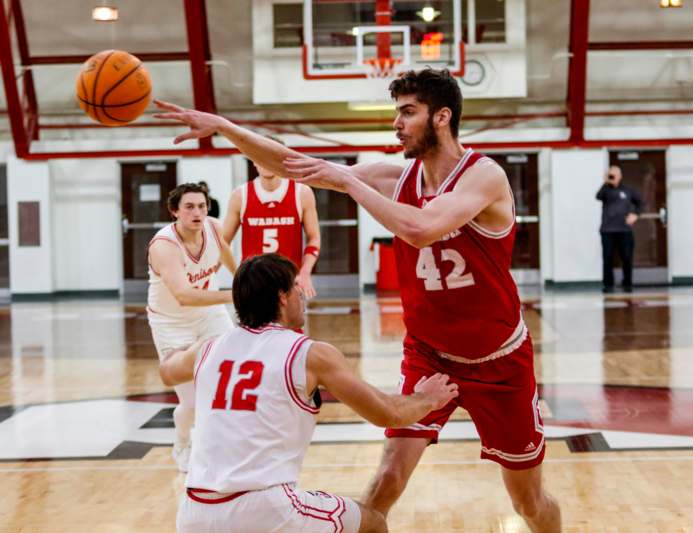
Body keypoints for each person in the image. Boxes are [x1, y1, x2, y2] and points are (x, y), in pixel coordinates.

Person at [154, 67, 561, 532]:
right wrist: (226, 128)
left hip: (499, 360)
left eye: (408, 112)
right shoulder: (395, 176)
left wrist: (348, 181)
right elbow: (293, 165)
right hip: (430, 353)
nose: (397, 123)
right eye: (397, 112)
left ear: (442, 117)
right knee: (387, 477)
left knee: (528, 502)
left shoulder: (483, 176)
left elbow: (421, 228)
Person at [159, 253, 458, 533]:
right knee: (373, 523)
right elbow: (388, 413)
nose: (302, 295)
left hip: (194, 512)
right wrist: (428, 398)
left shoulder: (208, 349)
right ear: (282, 296)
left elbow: (168, 371)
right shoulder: (311, 354)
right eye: (296, 288)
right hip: (265, 508)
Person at [147, 182, 237, 472]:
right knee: (191, 401)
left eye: (201, 205)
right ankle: (182, 442)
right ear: (175, 212)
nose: (197, 212)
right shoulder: (164, 246)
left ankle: (224, 444)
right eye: (189, 206)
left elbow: (226, 254)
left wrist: (243, 278)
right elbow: (184, 296)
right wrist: (235, 295)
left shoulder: (213, 227)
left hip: (209, 314)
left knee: (231, 377)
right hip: (171, 323)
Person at [222, 161, 321, 299]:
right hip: (253, 283)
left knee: (289, 321)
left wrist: (305, 272)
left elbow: (314, 238)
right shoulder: (240, 195)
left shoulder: (301, 193)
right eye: (261, 157)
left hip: (289, 281)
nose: (266, 162)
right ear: (254, 161)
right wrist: (236, 274)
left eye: (270, 157)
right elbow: (221, 242)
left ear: (282, 161)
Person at [595, 165, 643, 293]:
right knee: (607, 258)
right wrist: (606, 182)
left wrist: (636, 215)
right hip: (607, 230)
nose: (612, 177)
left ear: (620, 176)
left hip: (624, 230)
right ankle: (608, 284)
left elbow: (640, 202)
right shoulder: (605, 190)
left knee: (627, 257)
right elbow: (598, 196)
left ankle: (627, 282)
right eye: (610, 174)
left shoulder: (628, 190)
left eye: (614, 174)